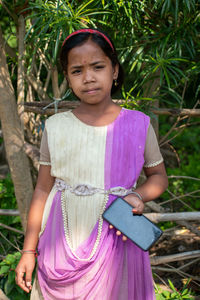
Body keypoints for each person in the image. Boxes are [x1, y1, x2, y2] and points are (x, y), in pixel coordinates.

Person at [15, 28, 168, 300]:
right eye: (77, 71)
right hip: (60, 244)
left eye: (98, 66)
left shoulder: (138, 125)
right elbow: (42, 190)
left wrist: (136, 195)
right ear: (68, 78)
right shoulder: (56, 127)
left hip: (119, 240)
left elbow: (158, 177)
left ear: (115, 70)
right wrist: (29, 250)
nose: (88, 78)